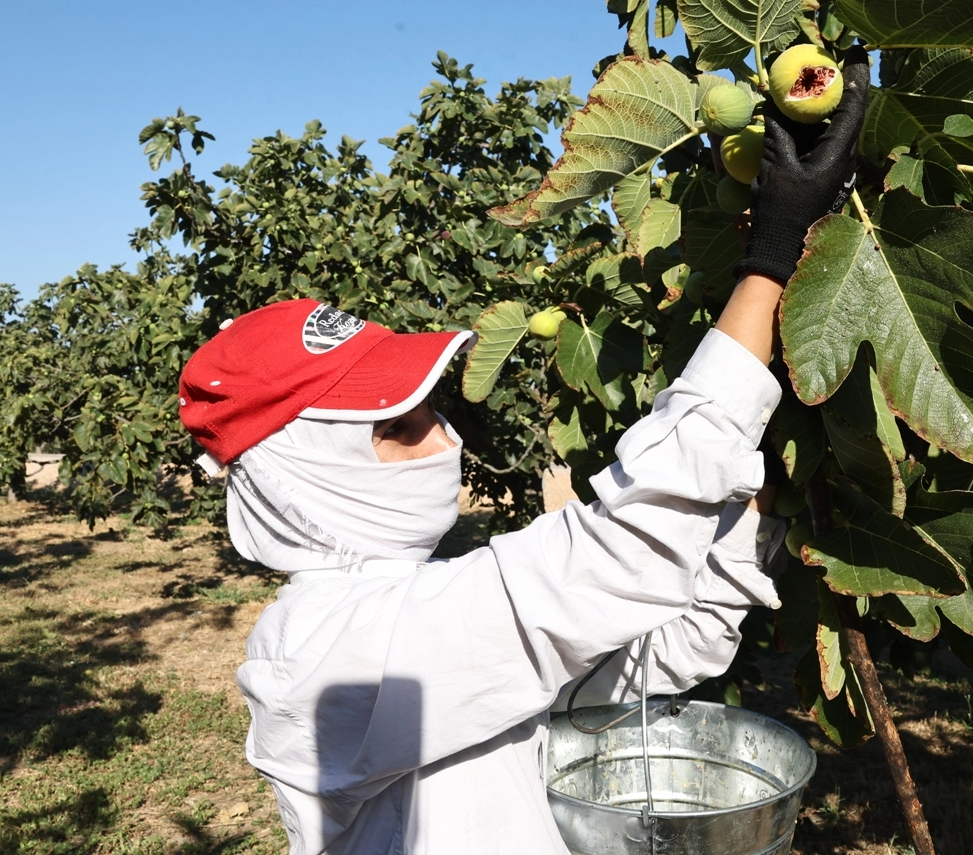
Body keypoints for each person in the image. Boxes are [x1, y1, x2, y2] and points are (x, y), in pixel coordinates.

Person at [177, 54, 870, 854]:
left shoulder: (419, 609)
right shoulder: (323, 658)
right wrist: (769, 260)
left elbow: (646, 662)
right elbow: (608, 566)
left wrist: (750, 501)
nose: (442, 439)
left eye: (431, 411)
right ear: (303, 475)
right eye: (396, 428)